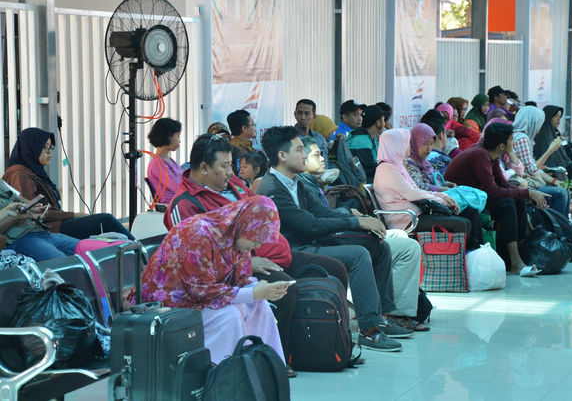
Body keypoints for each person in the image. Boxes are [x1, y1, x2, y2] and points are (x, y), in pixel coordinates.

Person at [163, 134, 347, 376]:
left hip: (276, 253)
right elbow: (197, 259)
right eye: (225, 166)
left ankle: (333, 344)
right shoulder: (184, 205)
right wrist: (248, 263)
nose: (231, 172)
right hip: (235, 272)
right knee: (284, 289)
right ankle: (278, 358)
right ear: (205, 168)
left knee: (335, 269)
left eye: (232, 165)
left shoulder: (237, 186)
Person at [258, 126, 411, 352]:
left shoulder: (296, 181)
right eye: (299, 150)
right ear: (282, 156)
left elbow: (322, 212)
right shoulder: (272, 188)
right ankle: (369, 331)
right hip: (295, 250)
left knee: (378, 246)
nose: (304, 154)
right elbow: (309, 225)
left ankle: (381, 317)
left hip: (314, 241)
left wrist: (356, 218)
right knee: (358, 255)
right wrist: (355, 222)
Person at [297, 137, 427, 332]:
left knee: (386, 245)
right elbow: (314, 222)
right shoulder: (297, 185)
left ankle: (385, 314)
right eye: (317, 155)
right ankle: (381, 320)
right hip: (318, 242)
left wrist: (351, 216)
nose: (324, 159)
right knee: (388, 248)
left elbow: (322, 215)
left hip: (335, 233)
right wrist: (354, 219)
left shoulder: (311, 183)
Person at [141, 196, 290, 364]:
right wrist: (254, 292)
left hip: (202, 298)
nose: (257, 246)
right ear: (245, 225)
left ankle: (266, 365)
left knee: (259, 304)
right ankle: (225, 372)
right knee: (231, 315)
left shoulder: (235, 236)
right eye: (255, 239)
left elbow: (239, 279)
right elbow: (198, 290)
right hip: (171, 305)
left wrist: (259, 288)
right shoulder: (198, 233)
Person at [444, 123, 547, 276]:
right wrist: (528, 193)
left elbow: (503, 184)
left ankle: (521, 252)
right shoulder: (480, 155)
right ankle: (516, 262)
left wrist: (528, 193)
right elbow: (493, 191)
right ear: (501, 145)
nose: (514, 143)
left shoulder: (492, 156)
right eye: (511, 140)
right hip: (463, 201)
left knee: (517, 200)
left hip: (477, 196)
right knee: (506, 204)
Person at [2, 128, 134, 240]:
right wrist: (74, 215)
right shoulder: (19, 174)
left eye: (51, 148)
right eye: (45, 148)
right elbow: (33, 213)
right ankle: (144, 254)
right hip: (47, 230)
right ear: (32, 148)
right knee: (105, 220)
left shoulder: (34, 171)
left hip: (54, 225)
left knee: (105, 231)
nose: (50, 153)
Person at [374, 128, 480, 250]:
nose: (408, 146)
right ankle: (452, 265)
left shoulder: (397, 165)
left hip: (415, 214)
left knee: (466, 222)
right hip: (405, 220)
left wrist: (443, 196)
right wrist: (442, 200)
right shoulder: (387, 169)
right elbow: (411, 193)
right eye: (406, 143)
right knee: (460, 224)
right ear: (396, 145)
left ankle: (459, 262)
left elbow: (415, 189)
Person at [512, 106, 571, 217]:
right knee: (561, 193)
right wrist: (551, 149)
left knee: (564, 188)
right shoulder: (521, 139)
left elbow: (535, 169)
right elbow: (532, 169)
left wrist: (554, 181)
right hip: (526, 185)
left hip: (532, 180)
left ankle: (564, 226)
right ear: (533, 121)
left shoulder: (526, 138)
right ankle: (558, 228)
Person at [0, 180, 79, 261]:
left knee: (88, 250)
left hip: (41, 231)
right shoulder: (18, 172)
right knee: (64, 264)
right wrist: (13, 217)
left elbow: (20, 202)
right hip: (21, 239)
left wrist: (32, 210)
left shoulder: (2, 183)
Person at [146, 118, 184, 203]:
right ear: (168, 136)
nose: (179, 141)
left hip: (181, 203)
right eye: (178, 136)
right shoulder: (157, 164)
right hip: (174, 207)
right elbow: (178, 187)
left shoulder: (169, 160)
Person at [346, 105, 386, 183]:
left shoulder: (371, 137)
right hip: (358, 184)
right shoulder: (360, 140)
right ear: (378, 123)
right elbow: (369, 170)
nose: (384, 124)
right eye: (383, 120)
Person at [294, 99, 329, 166]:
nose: (303, 118)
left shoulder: (320, 139)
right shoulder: (288, 137)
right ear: (295, 114)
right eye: (300, 113)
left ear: (314, 117)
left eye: (307, 114)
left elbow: (325, 163)